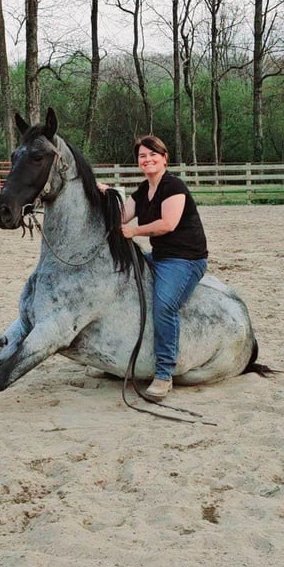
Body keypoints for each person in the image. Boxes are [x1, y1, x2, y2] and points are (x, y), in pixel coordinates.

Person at [98, 135, 208, 401]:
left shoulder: (174, 187)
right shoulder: (142, 190)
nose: (147, 160)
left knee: (164, 305)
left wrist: (134, 230)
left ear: (164, 157)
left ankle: (164, 373)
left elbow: (168, 223)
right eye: (142, 156)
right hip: (158, 256)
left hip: (185, 259)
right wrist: (105, 194)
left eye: (152, 155)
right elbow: (120, 217)